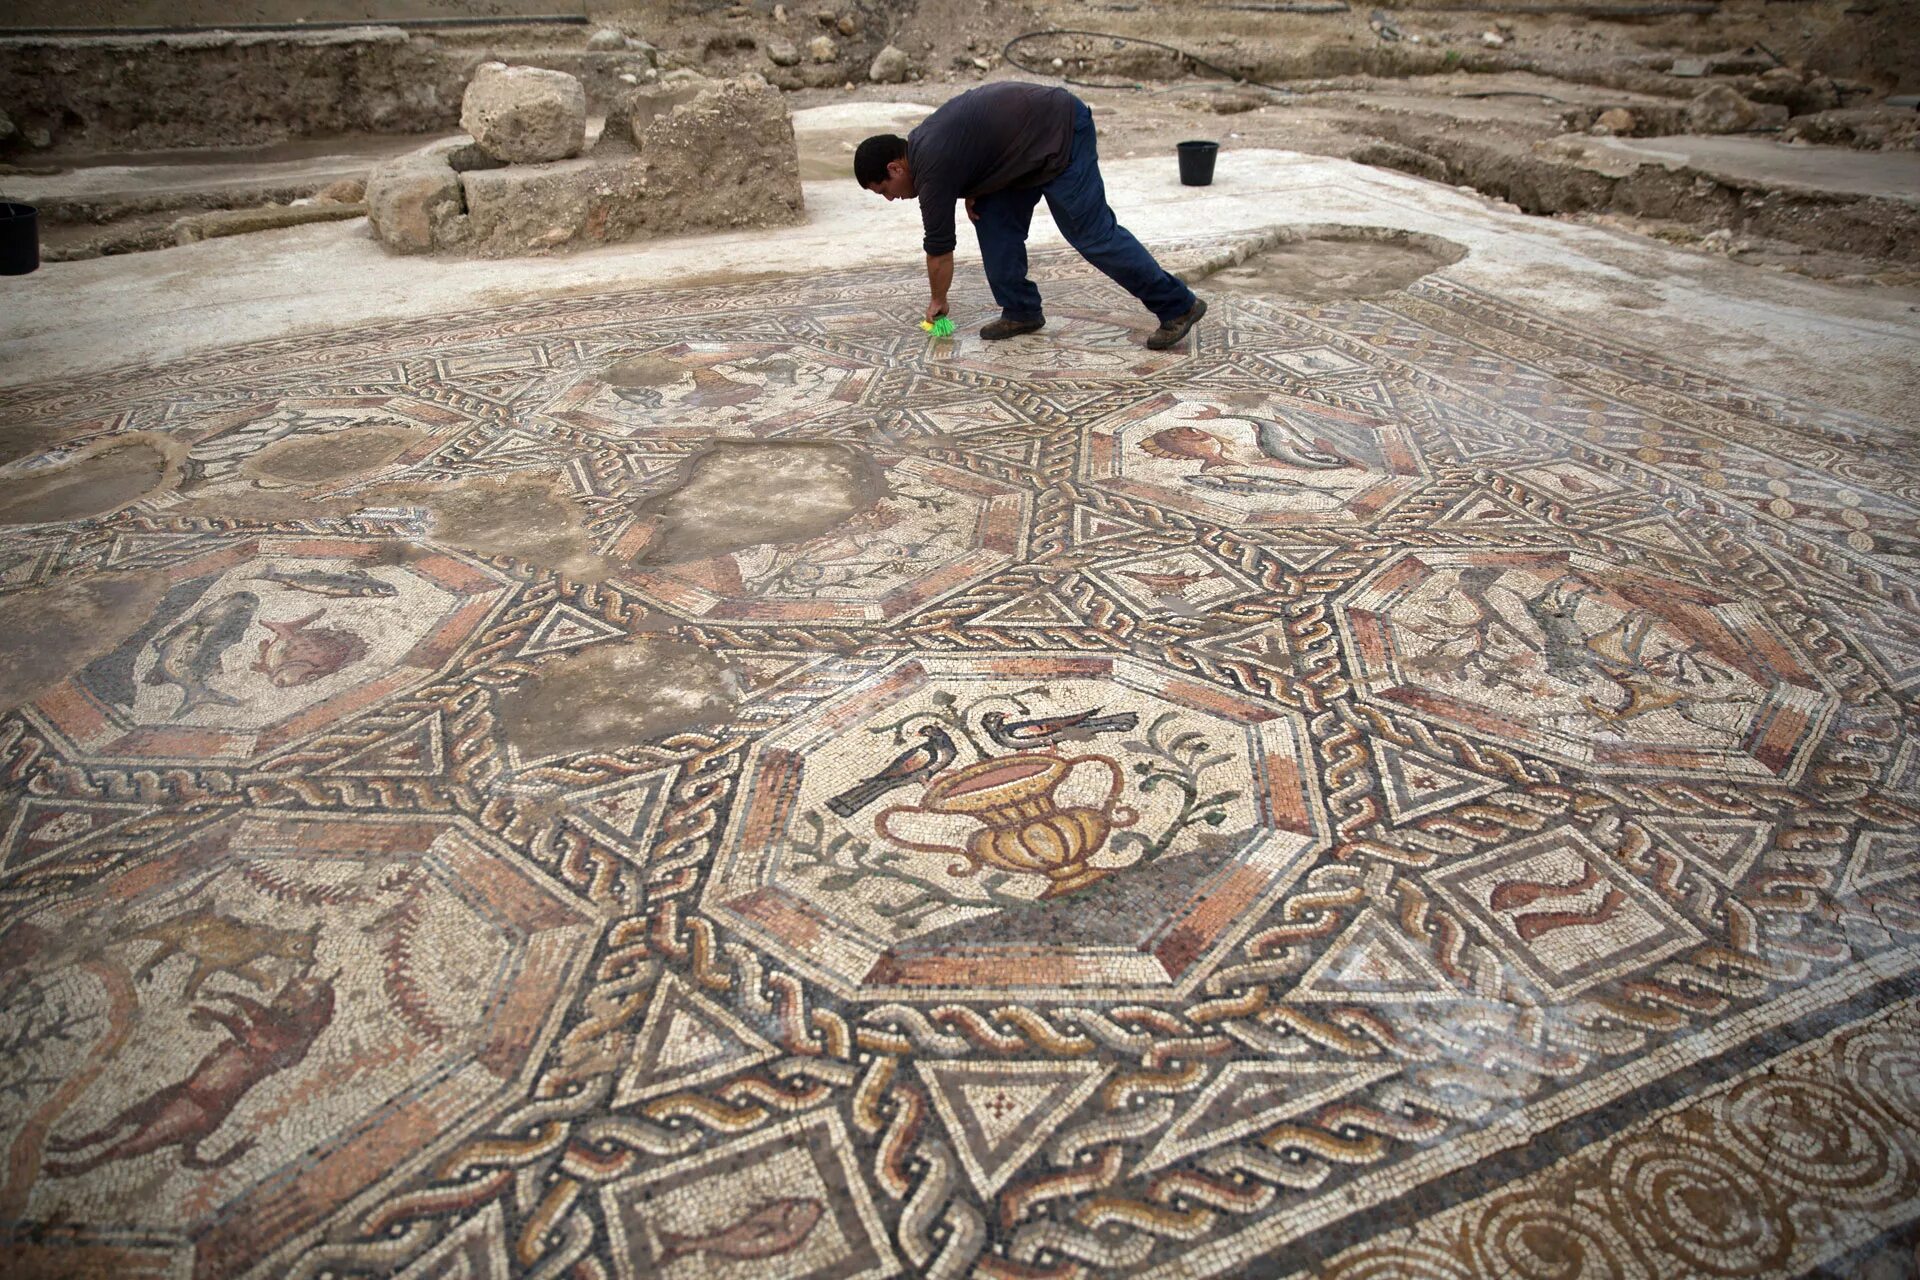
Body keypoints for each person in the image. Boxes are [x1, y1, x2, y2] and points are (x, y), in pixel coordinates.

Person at [855, 82, 1207, 351]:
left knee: (1092, 235)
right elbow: (977, 147)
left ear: (895, 167)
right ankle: (1021, 311)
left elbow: (939, 249)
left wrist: (938, 300)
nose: (890, 199)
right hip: (1023, 151)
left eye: (884, 190)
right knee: (992, 219)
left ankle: (1177, 306)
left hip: (1061, 133)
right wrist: (979, 182)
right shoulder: (926, 151)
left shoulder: (929, 166)